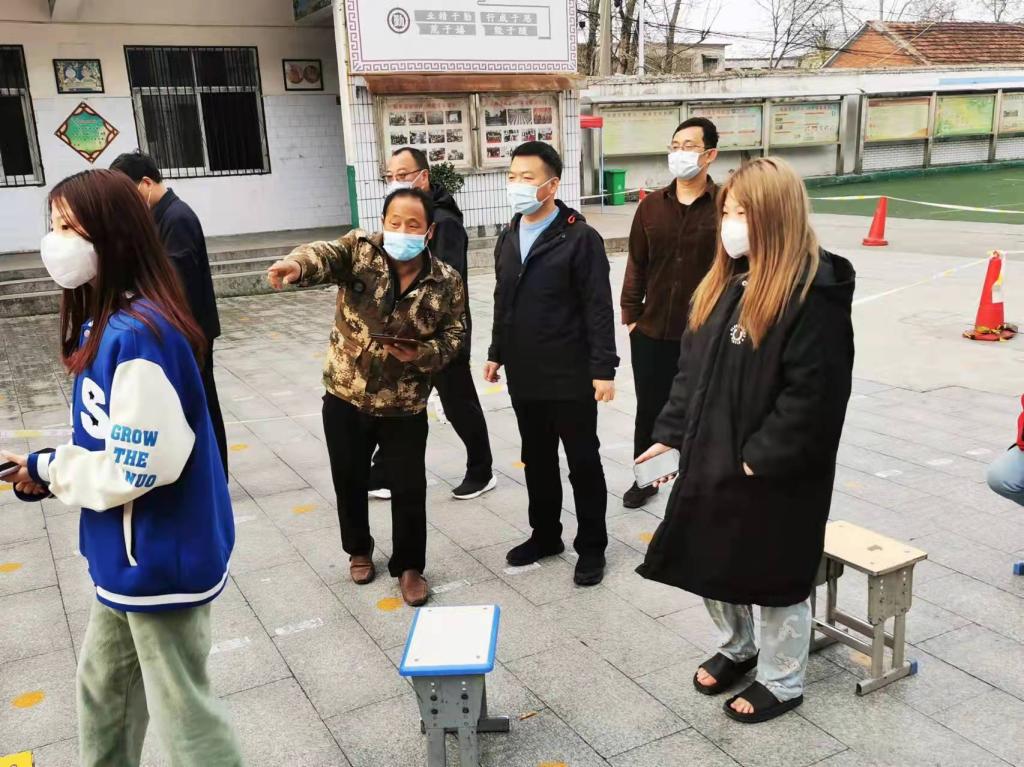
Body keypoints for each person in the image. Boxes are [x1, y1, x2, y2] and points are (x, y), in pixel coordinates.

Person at [2, 169, 241, 765]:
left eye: (70, 228)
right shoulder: (107, 323)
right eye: (53, 225)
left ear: (112, 236)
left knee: (184, 715)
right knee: (104, 690)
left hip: (157, 559)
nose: (55, 242)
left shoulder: (138, 336)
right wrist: (42, 469)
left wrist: (51, 468)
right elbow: (111, 439)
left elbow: (136, 468)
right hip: (125, 555)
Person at [635, 157, 855, 723]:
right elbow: (690, 373)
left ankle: (783, 680)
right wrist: (669, 435)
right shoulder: (726, 282)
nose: (730, 225)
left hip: (772, 473)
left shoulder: (812, 294)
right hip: (711, 457)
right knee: (712, 557)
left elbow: (816, 395)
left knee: (775, 574)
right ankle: (738, 647)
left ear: (777, 217)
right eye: (728, 212)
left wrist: (762, 457)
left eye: (743, 213)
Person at [266, 188, 465, 607]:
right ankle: (358, 549)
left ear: (429, 231)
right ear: (383, 223)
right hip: (346, 394)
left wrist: (422, 353)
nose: (402, 231)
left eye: (413, 225)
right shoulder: (360, 252)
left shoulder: (446, 281)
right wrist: (296, 265)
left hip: (404, 403)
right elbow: (323, 255)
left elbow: (454, 337)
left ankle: (409, 566)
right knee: (349, 478)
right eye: (395, 222)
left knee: (409, 487)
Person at [485, 142, 618, 587]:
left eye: (528, 178)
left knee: (582, 461)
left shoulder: (579, 237)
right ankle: (545, 535)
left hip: (571, 373)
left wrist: (603, 369)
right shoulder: (509, 235)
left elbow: (598, 307)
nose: (517, 185)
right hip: (525, 373)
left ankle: (592, 547)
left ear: (552, 185)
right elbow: (503, 299)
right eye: (513, 177)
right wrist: (496, 352)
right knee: (536, 458)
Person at [367, 146, 495, 501]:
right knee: (398, 400)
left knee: (458, 404)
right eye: (390, 176)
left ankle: (481, 470)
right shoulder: (406, 217)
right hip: (406, 333)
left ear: (423, 177)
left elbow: (445, 282)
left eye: (403, 175)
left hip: (441, 335)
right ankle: (383, 472)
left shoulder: (444, 222)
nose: (395, 182)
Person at [619, 117, 720, 509]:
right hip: (652, 330)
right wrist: (632, 316)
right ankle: (646, 480)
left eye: (689, 146)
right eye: (675, 146)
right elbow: (636, 264)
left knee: (703, 409)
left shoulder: (725, 206)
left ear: (710, 154)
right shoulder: (650, 208)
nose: (680, 153)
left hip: (705, 332)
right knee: (650, 409)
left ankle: (697, 485)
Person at [109, 150, 227, 477]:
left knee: (201, 404)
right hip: (179, 328)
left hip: (191, 330)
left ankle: (215, 473)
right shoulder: (157, 217)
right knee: (187, 403)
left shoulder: (177, 218)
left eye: (128, 195)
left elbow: (176, 281)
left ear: (146, 183)